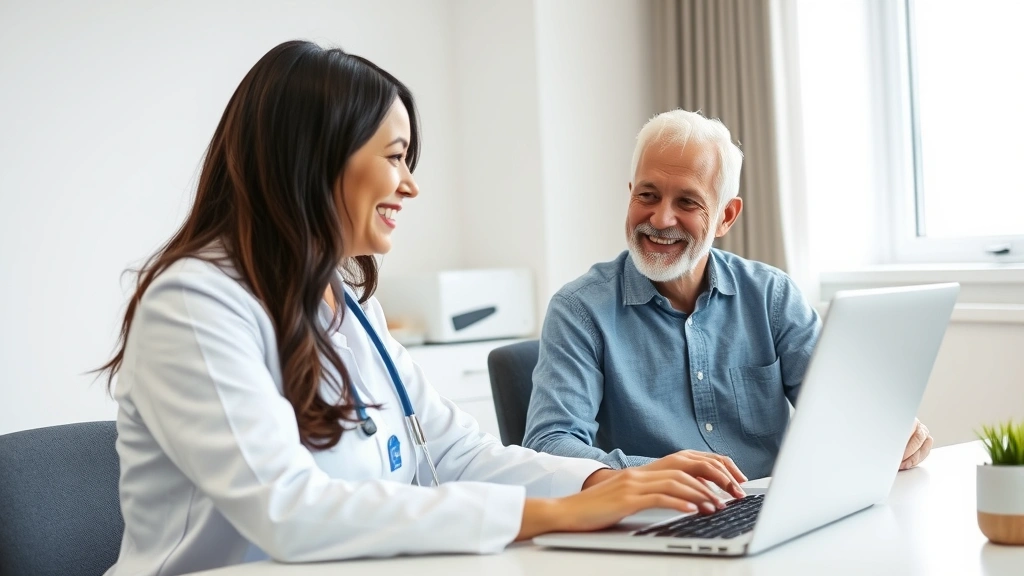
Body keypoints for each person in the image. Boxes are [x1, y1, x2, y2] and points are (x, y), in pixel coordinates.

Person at [96, 42, 749, 576]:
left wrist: (601, 483)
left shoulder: (346, 307)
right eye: (395, 157)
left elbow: (457, 454)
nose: (411, 184)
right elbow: (289, 512)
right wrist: (550, 516)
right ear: (314, 160)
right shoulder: (194, 304)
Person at [522, 109, 933, 481]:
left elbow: (839, 411)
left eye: (687, 202)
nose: (660, 218)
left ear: (726, 216)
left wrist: (887, 430)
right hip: (656, 524)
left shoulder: (771, 296)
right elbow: (549, 445)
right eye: (647, 195)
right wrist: (656, 473)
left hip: (768, 514)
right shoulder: (579, 311)